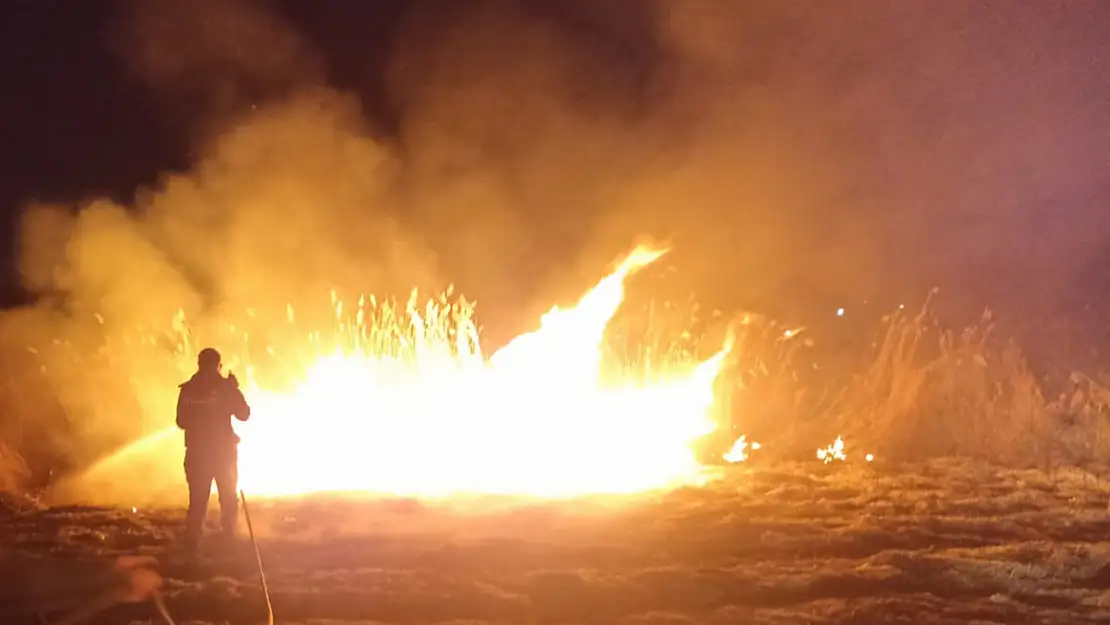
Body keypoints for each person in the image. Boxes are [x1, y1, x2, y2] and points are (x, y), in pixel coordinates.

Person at [176, 347, 250, 550]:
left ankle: (193, 545)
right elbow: (244, 414)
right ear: (219, 365)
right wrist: (234, 390)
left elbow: (181, 421)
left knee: (197, 501)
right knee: (228, 498)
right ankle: (230, 540)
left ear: (199, 365)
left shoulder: (188, 389)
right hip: (223, 455)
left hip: (197, 455)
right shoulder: (226, 388)